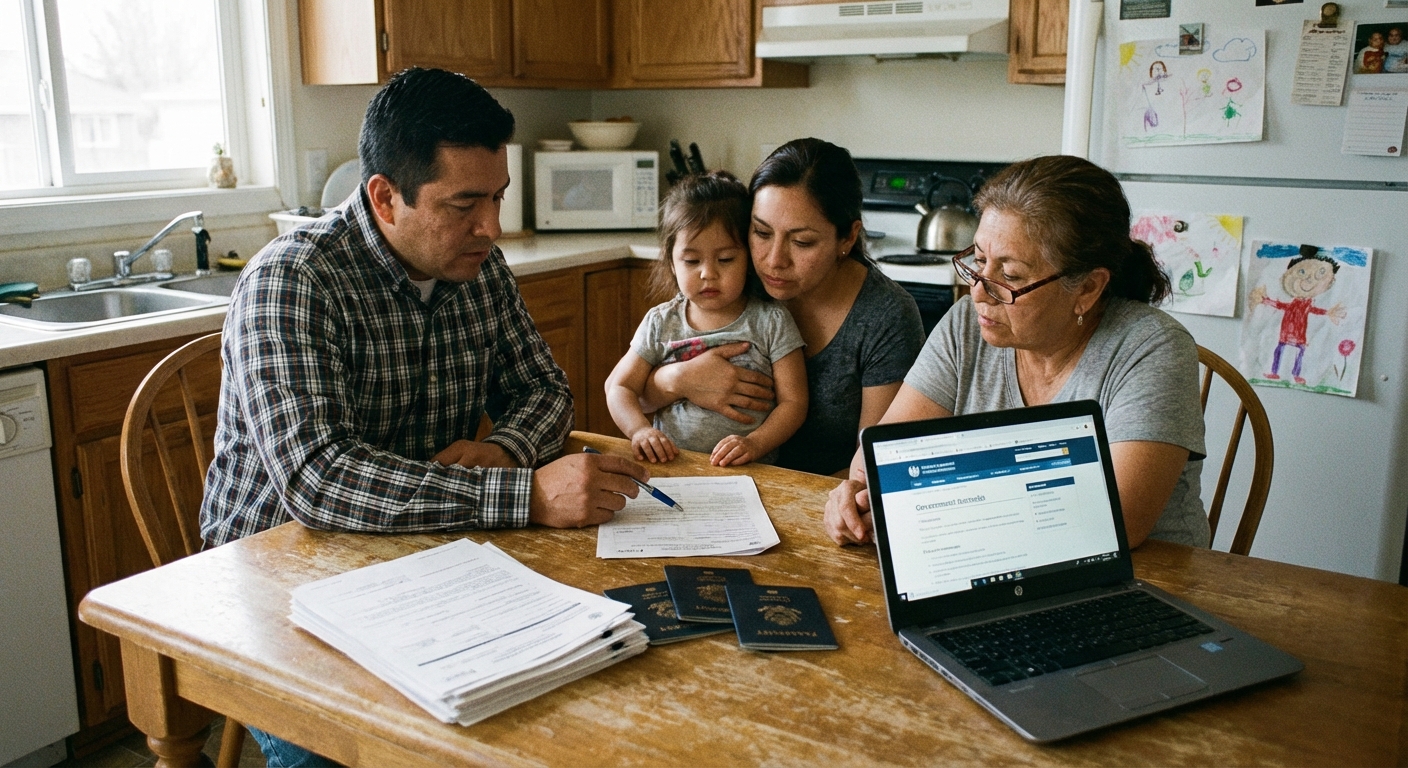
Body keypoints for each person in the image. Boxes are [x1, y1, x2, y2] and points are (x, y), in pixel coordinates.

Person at [201, 68, 647, 766]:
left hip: (423, 556)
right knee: (355, 751)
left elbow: (545, 391)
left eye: (497, 198)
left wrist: (502, 451)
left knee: (566, 695)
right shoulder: (292, 280)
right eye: (465, 203)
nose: (492, 227)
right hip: (275, 580)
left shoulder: (479, 267)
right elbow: (319, 480)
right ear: (384, 197)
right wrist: (523, 492)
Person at [825, 155, 1210, 549]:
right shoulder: (967, 325)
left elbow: (1113, 522)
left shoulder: (1153, 349)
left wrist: (930, 502)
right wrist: (855, 495)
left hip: (1146, 582)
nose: (978, 291)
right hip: (991, 563)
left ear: (1088, 289)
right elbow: (883, 457)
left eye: (1009, 276)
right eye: (978, 260)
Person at [638, 138, 926, 477]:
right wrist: (676, 380)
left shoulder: (885, 317)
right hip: (710, 479)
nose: (774, 261)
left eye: (802, 241)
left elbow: (876, 467)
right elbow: (638, 400)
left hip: (822, 498)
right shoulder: (732, 277)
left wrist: (784, 494)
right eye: (761, 232)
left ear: (847, 238)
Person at [606, 171, 807, 466]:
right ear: (671, 263)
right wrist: (640, 431)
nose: (708, 273)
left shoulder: (772, 321)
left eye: (725, 259)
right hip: (672, 467)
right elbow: (619, 387)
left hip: (749, 471)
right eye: (691, 261)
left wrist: (754, 443)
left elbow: (795, 403)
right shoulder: (661, 322)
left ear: (749, 259)